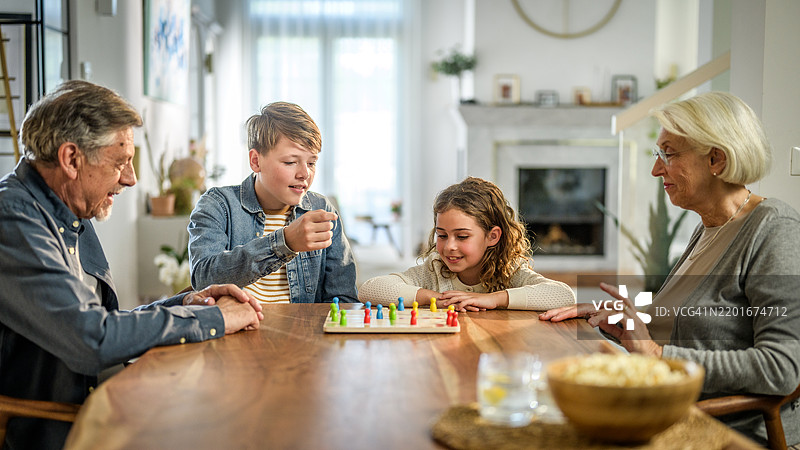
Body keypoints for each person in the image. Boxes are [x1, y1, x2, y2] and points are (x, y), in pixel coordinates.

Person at [0, 80, 264, 449]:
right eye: (119, 162)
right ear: (71, 159)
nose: (130, 178)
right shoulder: (13, 220)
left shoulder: (67, 211)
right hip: (54, 429)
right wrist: (215, 318)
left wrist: (185, 302)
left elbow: (101, 321)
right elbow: (94, 339)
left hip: (100, 405)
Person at [540, 91, 800, 447]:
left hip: (724, 432)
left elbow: (781, 368)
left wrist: (659, 356)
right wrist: (624, 318)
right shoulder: (709, 227)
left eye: (669, 153)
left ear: (717, 160)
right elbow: (691, 317)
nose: (655, 168)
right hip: (667, 413)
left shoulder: (774, 229)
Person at [188, 102, 358, 304]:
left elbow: (344, 299)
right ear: (255, 161)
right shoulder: (219, 205)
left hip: (303, 333)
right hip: (237, 331)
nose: (305, 173)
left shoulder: (321, 209)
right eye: (290, 162)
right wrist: (284, 243)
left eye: (311, 163)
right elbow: (202, 279)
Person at [358, 177, 576, 311]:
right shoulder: (434, 270)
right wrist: (435, 298)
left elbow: (564, 296)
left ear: (493, 236)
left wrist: (493, 299)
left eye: (462, 237)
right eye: (442, 235)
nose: (449, 246)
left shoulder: (511, 270)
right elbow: (369, 290)